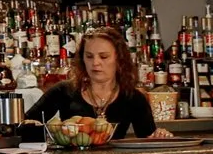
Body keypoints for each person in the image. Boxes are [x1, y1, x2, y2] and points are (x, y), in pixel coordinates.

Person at [25, 26, 162, 139]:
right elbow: (24, 125)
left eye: (104, 56)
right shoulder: (62, 91)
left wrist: (160, 136)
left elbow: (148, 140)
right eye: (89, 56)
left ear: (119, 59)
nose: (95, 63)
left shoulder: (133, 98)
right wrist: (31, 126)